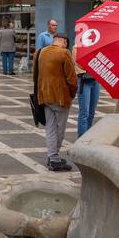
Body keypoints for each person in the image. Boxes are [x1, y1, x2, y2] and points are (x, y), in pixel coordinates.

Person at [33, 33, 77, 171]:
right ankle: (54, 158)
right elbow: (72, 79)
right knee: (60, 130)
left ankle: (53, 157)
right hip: (60, 98)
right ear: (64, 42)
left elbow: (35, 75)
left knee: (50, 128)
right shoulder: (65, 53)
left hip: (44, 96)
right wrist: (72, 94)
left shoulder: (39, 52)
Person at [73, 41, 101, 137]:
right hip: (84, 81)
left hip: (95, 81)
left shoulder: (97, 47)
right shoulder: (77, 47)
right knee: (85, 112)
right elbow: (79, 65)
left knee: (92, 111)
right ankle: (82, 138)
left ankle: (87, 136)